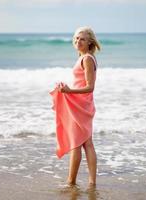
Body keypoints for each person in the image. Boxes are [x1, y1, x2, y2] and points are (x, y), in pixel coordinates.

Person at [49, 26, 101, 188]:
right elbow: (81, 84)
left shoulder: (87, 59)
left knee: (78, 143)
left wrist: (69, 90)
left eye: (82, 39)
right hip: (79, 103)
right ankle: (90, 182)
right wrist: (66, 89)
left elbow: (90, 87)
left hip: (81, 105)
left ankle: (72, 181)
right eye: (76, 38)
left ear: (89, 42)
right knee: (86, 142)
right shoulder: (84, 58)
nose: (78, 41)